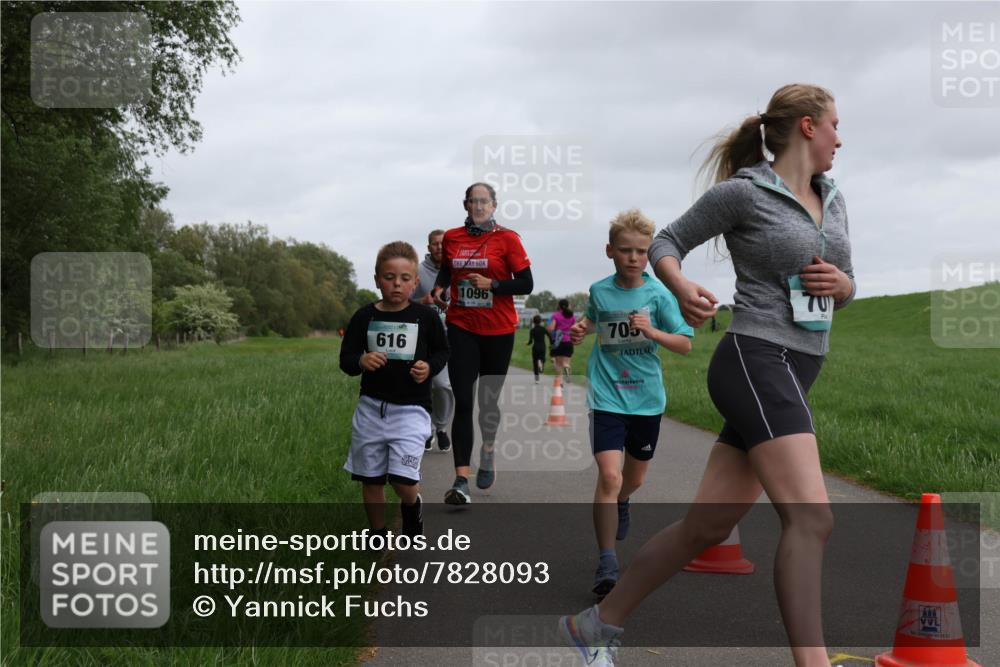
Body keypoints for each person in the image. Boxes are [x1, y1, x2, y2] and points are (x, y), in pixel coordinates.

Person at [559, 83, 856, 667]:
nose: (840, 139)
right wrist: (680, 285)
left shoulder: (834, 197)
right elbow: (669, 241)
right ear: (806, 127)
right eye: (835, 125)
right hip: (756, 358)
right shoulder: (745, 193)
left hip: (801, 365)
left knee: (707, 528)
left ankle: (596, 623)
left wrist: (844, 287)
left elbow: (848, 280)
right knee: (812, 517)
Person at [570, 209, 694, 598]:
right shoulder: (599, 290)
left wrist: (652, 330)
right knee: (609, 475)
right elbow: (594, 318)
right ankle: (607, 561)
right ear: (610, 251)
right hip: (607, 395)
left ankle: (623, 500)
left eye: (641, 251)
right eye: (625, 251)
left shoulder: (658, 294)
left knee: (633, 478)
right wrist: (581, 329)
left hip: (646, 399)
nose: (634, 258)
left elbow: (685, 343)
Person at [431, 182, 533, 503]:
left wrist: (494, 284)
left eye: (484, 202)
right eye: (473, 202)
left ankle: (488, 449)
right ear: (465, 206)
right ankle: (461, 479)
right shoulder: (452, 238)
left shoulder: (508, 239)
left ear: (494, 205)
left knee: (487, 404)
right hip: (461, 326)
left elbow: (527, 283)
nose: (478, 207)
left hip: (499, 332)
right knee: (463, 401)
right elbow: (447, 271)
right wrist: (439, 288)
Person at [339, 241, 449, 539]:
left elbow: (442, 352)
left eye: (404, 279)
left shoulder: (425, 317)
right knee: (371, 479)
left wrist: (429, 367)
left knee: (402, 479)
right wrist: (361, 360)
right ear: (377, 280)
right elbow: (346, 360)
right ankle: (377, 535)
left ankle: (412, 506)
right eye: (389, 277)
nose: (396, 284)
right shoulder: (364, 317)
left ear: (415, 282)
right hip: (371, 409)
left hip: (412, 410)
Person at [410, 229, 454, 452]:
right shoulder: (418, 271)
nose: (439, 247)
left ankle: (442, 427)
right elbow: (403, 302)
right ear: (429, 248)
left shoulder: (457, 270)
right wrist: (423, 301)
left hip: (451, 336)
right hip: (424, 337)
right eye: (435, 244)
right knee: (426, 385)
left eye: (443, 244)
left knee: (443, 385)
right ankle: (426, 428)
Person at [548, 299, 577, 383]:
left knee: (558, 365)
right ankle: (567, 367)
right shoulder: (572, 316)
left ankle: (559, 384)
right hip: (568, 342)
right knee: (566, 362)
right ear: (568, 306)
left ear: (559, 306)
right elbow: (575, 328)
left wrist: (551, 329)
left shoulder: (555, 315)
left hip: (558, 342)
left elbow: (551, 328)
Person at [526, 314, 549, 383]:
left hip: (535, 347)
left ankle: (537, 379)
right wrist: (552, 342)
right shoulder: (543, 329)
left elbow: (530, 341)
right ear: (540, 321)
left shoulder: (532, 330)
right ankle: (541, 363)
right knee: (542, 359)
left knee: (535, 362)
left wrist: (527, 343)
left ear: (533, 322)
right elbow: (549, 336)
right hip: (542, 346)